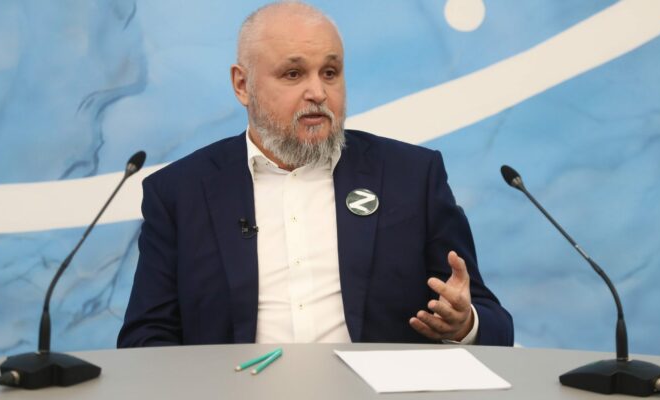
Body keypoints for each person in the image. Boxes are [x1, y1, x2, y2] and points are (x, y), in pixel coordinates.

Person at [118, 1, 513, 347]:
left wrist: (464, 324)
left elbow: (492, 321)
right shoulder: (180, 192)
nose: (318, 93)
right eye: (293, 74)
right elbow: (145, 338)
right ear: (242, 85)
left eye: (330, 72)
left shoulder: (411, 177)